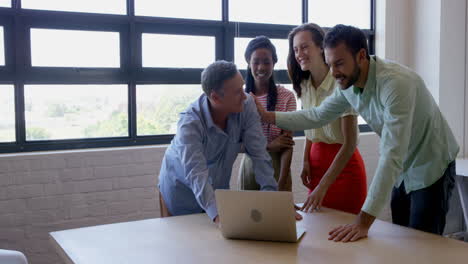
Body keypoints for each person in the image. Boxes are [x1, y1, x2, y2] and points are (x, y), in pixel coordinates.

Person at [254, 24, 459, 242]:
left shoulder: (396, 84)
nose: (334, 72)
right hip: (404, 169)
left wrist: (363, 221)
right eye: (331, 64)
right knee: (402, 239)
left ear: (361, 56)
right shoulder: (348, 85)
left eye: (339, 63)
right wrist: (268, 116)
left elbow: (391, 156)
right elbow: (316, 115)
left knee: (423, 244)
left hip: (431, 165)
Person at [158, 60, 279, 224]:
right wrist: (218, 216)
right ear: (215, 97)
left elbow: (259, 154)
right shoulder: (189, 123)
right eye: (237, 92)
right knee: (185, 244)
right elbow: (197, 174)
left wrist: (273, 201)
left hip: (217, 189)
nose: (245, 96)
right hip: (181, 193)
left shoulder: (246, 104)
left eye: (242, 87)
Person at [287, 23, 366, 214]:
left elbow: (350, 144)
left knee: (343, 234)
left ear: (321, 47)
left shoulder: (341, 81)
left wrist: (322, 186)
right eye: (296, 49)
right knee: (316, 232)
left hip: (344, 169)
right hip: (315, 165)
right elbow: (309, 124)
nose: (299, 54)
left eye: (305, 47)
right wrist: (305, 160)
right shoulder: (304, 84)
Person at [239, 36, 297, 192]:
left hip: (279, 167)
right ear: (248, 62)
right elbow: (235, 144)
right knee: (247, 216)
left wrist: (283, 180)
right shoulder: (240, 98)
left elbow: (287, 144)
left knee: (279, 216)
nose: (261, 67)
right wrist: (269, 145)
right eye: (256, 62)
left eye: (266, 62)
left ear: (274, 63)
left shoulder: (287, 97)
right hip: (250, 167)